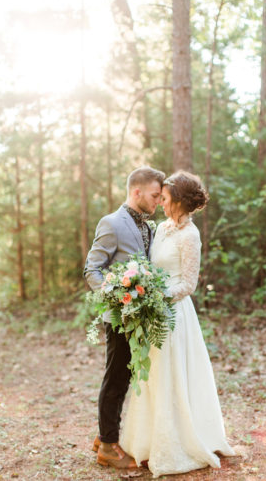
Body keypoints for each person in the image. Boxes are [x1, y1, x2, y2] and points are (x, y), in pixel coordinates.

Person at [119, 170, 235, 477]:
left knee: (174, 375)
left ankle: (180, 443)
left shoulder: (190, 235)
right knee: (153, 375)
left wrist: (157, 295)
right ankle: (146, 441)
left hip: (175, 316)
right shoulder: (161, 229)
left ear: (179, 201)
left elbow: (188, 283)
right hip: (153, 313)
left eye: (165, 198)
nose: (161, 202)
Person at [83, 166, 165, 469]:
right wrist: (115, 292)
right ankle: (107, 446)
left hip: (142, 315)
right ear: (137, 191)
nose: (158, 201)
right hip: (119, 313)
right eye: (155, 195)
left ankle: (104, 434)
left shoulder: (151, 227)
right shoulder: (111, 223)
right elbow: (92, 267)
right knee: (116, 376)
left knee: (128, 375)